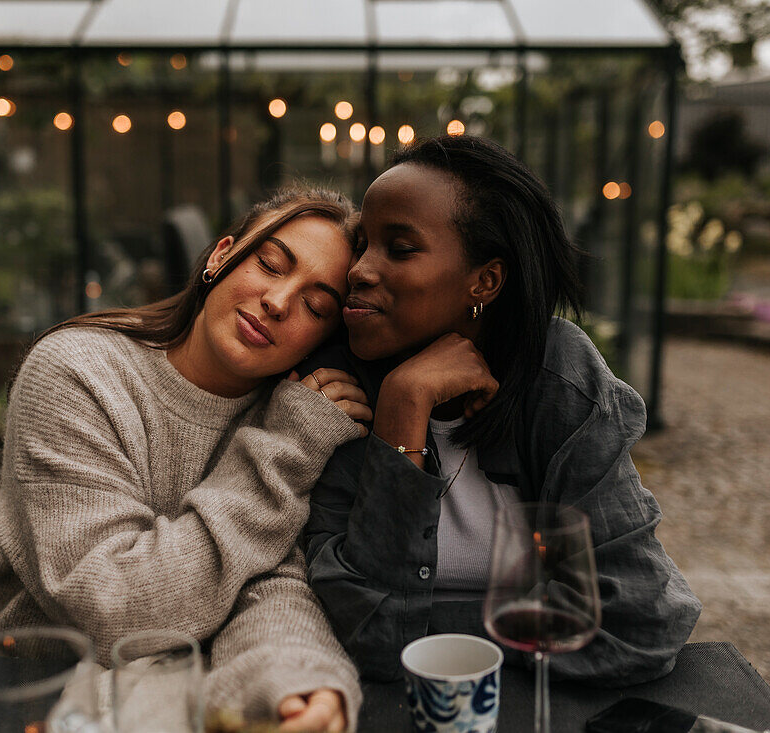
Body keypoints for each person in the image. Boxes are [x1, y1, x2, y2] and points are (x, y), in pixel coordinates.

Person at [0, 189, 376, 731]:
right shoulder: (77, 372)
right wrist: (281, 453)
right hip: (28, 689)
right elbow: (110, 610)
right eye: (270, 264)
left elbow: (269, 583)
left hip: (174, 692)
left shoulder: (291, 419)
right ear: (219, 257)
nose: (278, 300)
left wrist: (297, 682)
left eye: (315, 306)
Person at [301, 135, 702, 685]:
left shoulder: (558, 380)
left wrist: (427, 633)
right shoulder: (332, 388)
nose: (360, 269)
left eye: (399, 248)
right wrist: (402, 406)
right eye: (363, 242)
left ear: (484, 280)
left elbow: (641, 619)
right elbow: (364, 633)